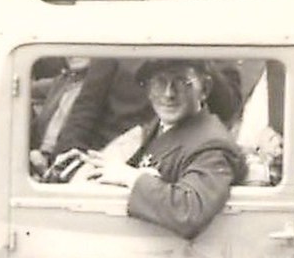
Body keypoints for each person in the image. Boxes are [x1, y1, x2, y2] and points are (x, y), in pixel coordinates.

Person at [49, 0, 241, 160]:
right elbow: (88, 105)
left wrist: (198, 51)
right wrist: (68, 157)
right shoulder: (120, 30)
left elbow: (228, 108)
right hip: (117, 155)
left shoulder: (214, 33)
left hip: (180, 158)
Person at [79, 59, 248, 239]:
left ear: (204, 89)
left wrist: (131, 177)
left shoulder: (213, 145)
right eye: (159, 82)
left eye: (182, 83)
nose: (168, 94)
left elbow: (188, 211)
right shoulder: (159, 127)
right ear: (148, 90)